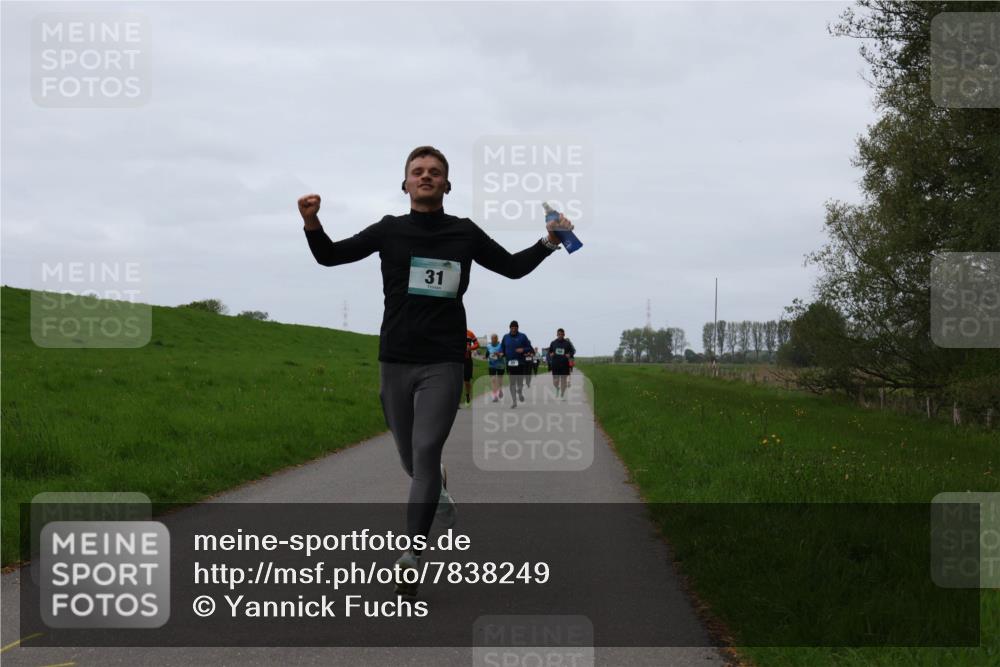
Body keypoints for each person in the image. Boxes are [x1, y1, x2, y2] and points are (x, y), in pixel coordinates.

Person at [298, 145, 574, 597]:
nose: (426, 177)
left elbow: (511, 268)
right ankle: (438, 493)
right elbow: (330, 256)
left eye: (435, 172)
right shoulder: (388, 231)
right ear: (405, 183)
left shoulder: (462, 233)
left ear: (447, 185)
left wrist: (549, 241)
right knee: (410, 459)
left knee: (425, 452)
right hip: (395, 360)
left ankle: (411, 553)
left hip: (443, 361)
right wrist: (311, 222)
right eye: (418, 171)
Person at [500, 320, 533, 407]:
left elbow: (529, 348)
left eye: (515, 327)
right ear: (510, 328)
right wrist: (501, 353)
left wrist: (523, 350)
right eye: (512, 327)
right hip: (510, 363)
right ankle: (514, 401)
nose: (514, 329)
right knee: (512, 382)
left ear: (518, 328)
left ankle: (520, 392)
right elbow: (502, 348)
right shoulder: (505, 337)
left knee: (520, 382)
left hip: (520, 363)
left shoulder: (523, 336)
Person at [547, 328, 577, 398]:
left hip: (564, 364)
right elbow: (549, 352)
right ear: (557, 334)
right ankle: (557, 388)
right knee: (555, 381)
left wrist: (569, 354)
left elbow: (573, 351)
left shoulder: (567, 343)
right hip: (555, 364)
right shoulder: (553, 343)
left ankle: (562, 394)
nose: (560, 335)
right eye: (559, 334)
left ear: (564, 335)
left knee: (563, 381)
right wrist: (551, 354)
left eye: (561, 334)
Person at [485, 333, 505, 402]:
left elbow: (503, 354)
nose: (493, 340)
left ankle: (500, 389)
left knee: (499, 380)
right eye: (492, 339)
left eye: (495, 338)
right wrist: (485, 357)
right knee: (493, 380)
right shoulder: (488, 346)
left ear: (497, 339)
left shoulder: (501, 346)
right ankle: (495, 396)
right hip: (492, 365)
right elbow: (487, 354)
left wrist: (499, 354)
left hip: (500, 365)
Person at [463, 328, 480, 406]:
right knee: (457, 381)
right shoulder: (454, 332)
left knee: (467, 381)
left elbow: (477, 344)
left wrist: (470, 348)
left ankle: (467, 395)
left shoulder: (470, 333)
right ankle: (456, 401)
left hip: (467, 360)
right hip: (457, 360)